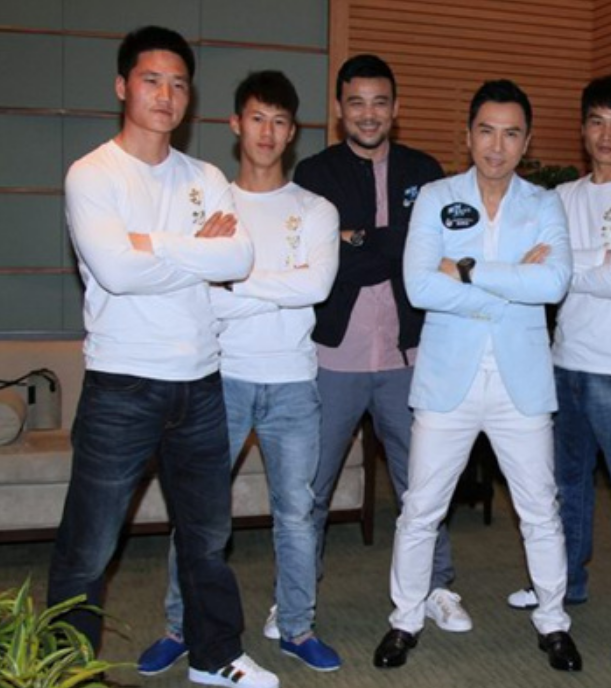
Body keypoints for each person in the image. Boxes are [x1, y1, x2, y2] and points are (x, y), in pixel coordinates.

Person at [47, 25, 279, 688]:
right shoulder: (92, 174)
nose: (166, 95)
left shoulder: (205, 176)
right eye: (152, 80)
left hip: (200, 382)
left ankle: (214, 656)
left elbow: (237, 257)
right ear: (123, 86)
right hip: (123, 385)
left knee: (206, 537)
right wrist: (194, 248)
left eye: (179, 84)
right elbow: (117, 272)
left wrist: (153, 242)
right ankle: (65, 670)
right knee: (89, 546)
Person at [136, 71, 341, 675]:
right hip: (218, 379)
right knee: (198, 515)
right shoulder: (208, 203)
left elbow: (316, 287)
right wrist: (265, 287)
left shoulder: (316, 209)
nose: (267, 132)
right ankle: (181, 626)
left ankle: (297, 626)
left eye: (279, 121)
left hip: (294, 382)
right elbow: (198, 294)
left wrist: (233, 280)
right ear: (235, 124)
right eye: (256, 118)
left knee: (297, 514)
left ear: (292, 131)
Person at [372, 79, 581, 672]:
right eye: (486, 131)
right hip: (448, 380)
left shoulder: (545, 203)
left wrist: (465, 270)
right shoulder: (436, 197)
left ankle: (553, 621)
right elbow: (419, 286)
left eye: (511, 134)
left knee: (540, 510)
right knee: (421, 508)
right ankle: (405, 618)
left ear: (526, 142)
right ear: (467, 136)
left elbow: (553, 283)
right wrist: (509, 282)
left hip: (522, 382)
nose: (497, 146)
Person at [292, 55, 471, 633]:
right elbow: (322, 262)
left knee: (423, 484)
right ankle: (295, 597)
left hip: (409, 355)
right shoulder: (314, 174)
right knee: (311, 488)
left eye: (379, 102)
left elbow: (438, 256)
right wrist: (394, 244)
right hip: (333, 357)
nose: (368, 114)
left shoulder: (427, 171)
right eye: (356, 102)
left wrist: (356, 238)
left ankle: (436, 586)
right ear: (339, 109)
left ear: (396, 108)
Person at [505, 74, 611, 664]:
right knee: (564, 489)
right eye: (596, 122)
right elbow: (534, 271)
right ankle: (565, 582)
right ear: (582, 128)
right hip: (562, 361)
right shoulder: (563, 197)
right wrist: (593, 259)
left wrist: (566, 263)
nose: (606, 135)